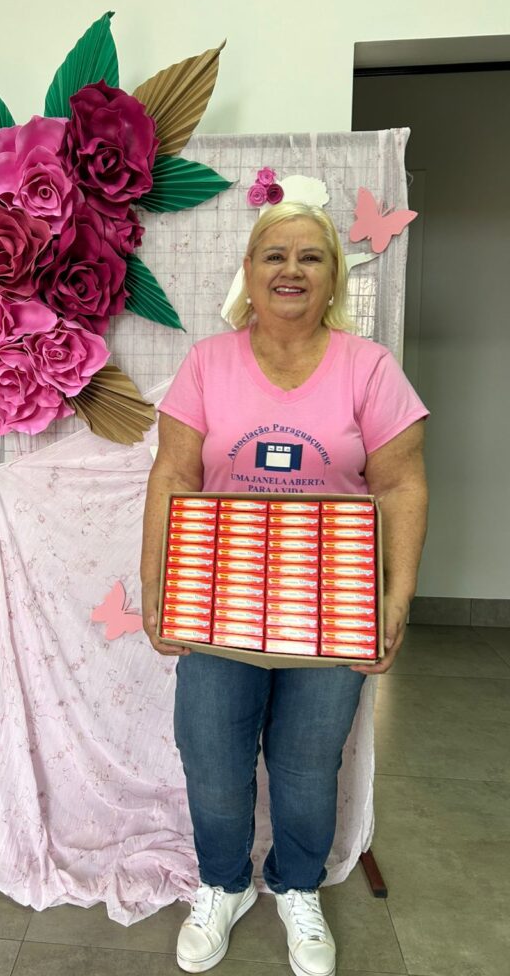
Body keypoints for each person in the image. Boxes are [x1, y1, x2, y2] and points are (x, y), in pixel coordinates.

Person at [140, 202, 428, 976]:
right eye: (274, 255)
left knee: (306, 768)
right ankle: (223, 885)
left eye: (310, 256)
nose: (291, 269)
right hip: (216, 603)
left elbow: (401, 485)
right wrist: (156, 586)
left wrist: (395, 600)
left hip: (331, 613)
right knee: (212, 760)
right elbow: (172, 475)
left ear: (333, 276)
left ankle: (297, 886)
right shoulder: (207, 363)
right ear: (249, 271)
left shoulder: (370, 368)